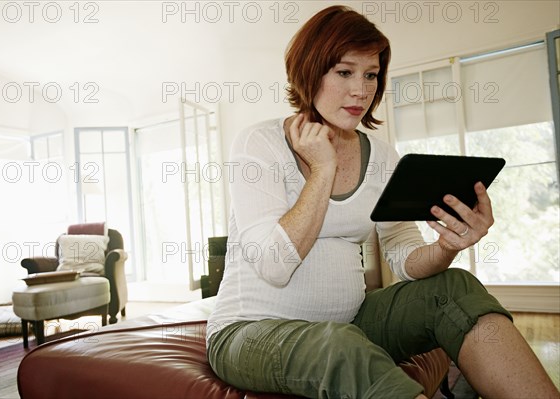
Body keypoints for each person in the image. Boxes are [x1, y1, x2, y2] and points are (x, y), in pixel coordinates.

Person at [206, 5, 559, 399]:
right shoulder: (259, 143)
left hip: (351, 323)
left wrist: (444, 248)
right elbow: (274, 266)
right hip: (249, 331)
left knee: (454, 286)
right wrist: (322, 171)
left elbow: (402, 253)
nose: (361, 90)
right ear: (309, 70)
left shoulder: (383, 155)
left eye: (370, 74)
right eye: (344, 72)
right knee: (337, 345)